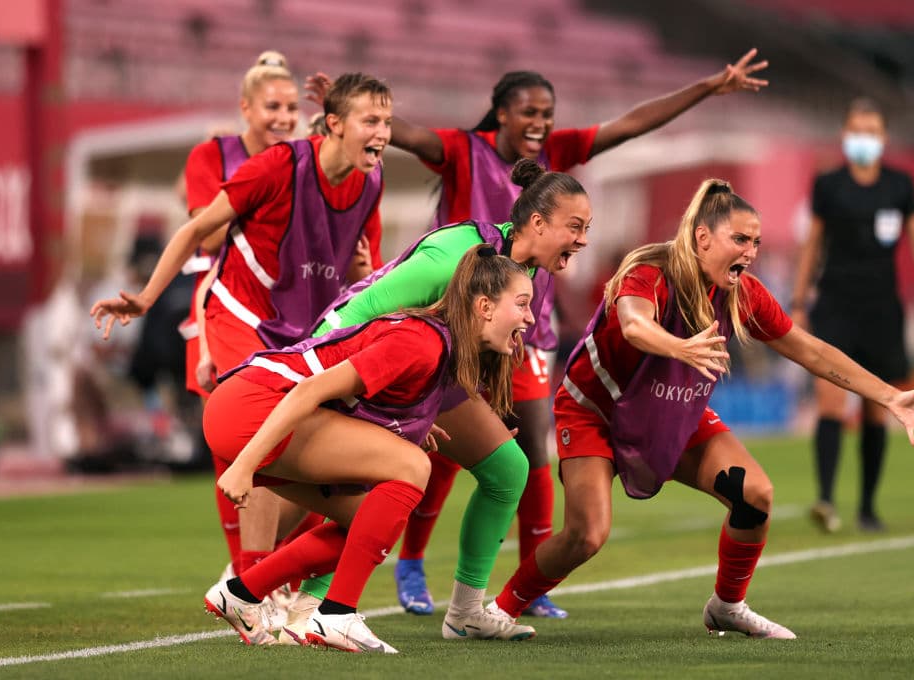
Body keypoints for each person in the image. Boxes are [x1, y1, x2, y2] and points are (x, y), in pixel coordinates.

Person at [306, 46, 769, 619]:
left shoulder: (530, 242)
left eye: (547, 112)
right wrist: (348, 111)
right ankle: (310, 587)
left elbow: (629, 125)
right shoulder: (459, 225)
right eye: (529, 111)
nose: (541, 123)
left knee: (514, 465)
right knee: (397, 475)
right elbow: (378, 287)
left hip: (501, 338)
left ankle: (474, 608)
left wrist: (706, 87)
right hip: (411, 346)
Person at [488, 178, 914, 639]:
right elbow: (633, 324)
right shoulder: (650, 271)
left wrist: (889, 396)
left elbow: (809, 351)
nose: (750, 252)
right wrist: (679, 348)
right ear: (702, 237)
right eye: (740, 239)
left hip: (672, 414)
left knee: (757, 496)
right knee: (586, 535)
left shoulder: (744, 293)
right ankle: (499, 610)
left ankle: (727, 606)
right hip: (596, 411)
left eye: (756, 242)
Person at [90, 72, 389, 617]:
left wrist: (360, 269)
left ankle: (260, 578)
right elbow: (196, 231)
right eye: (373, 121)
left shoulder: (371, 182)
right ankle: (256, 585)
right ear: (335, 124)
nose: (384, 133)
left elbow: (358, 260)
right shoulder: (277, 165)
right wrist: (146, 299)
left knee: (325, 461)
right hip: (242, 317)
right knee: (267, 434)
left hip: (306, 330)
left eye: (388, 122)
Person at [285, 160, 589, 642]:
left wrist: (477, 407)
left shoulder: (531, 269)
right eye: (575, 227)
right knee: (372, 486)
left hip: (424, 372)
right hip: (356, 361)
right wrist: (334, 384)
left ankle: (466, 613)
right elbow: (364, 306)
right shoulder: (454, 254)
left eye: (586, 229)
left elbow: (479, 346)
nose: (583, 240)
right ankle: (304, 603)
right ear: (537, 223)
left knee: (507, 468)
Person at [202, 246, 535, 652]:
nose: (530, 317)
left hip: (253, 409)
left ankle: (241, 592)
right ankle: (336, 615)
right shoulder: (423, 341)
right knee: (412, 466)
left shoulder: (442, 347)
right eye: (522, 304)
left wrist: (407, 424)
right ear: (484, 306)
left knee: (366, 522)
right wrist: (245, 466)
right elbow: (310, 388)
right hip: (252, 405)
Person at [789, 97, 914, 533]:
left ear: (884, 137)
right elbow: (811, 246)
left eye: (872, 131)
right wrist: (799, 301)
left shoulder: (900, 185)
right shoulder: (828, 185)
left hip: (882, 309)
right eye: (857, 130)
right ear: (845, 135)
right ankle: (825, 499)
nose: (864, 138)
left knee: (879, 406)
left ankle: (868, 506)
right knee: (831, 400)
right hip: (836, 304)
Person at [179, 49, 300, 574]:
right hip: (222, 307)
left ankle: (270, 571)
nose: (283, 118)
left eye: (291, 108)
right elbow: (205, 228)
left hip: (287, 312)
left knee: (295, 440)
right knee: (233, 440)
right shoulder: (212, 156)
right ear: (245, 109)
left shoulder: (305, 161)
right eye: (272, 106)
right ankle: (246, 573)